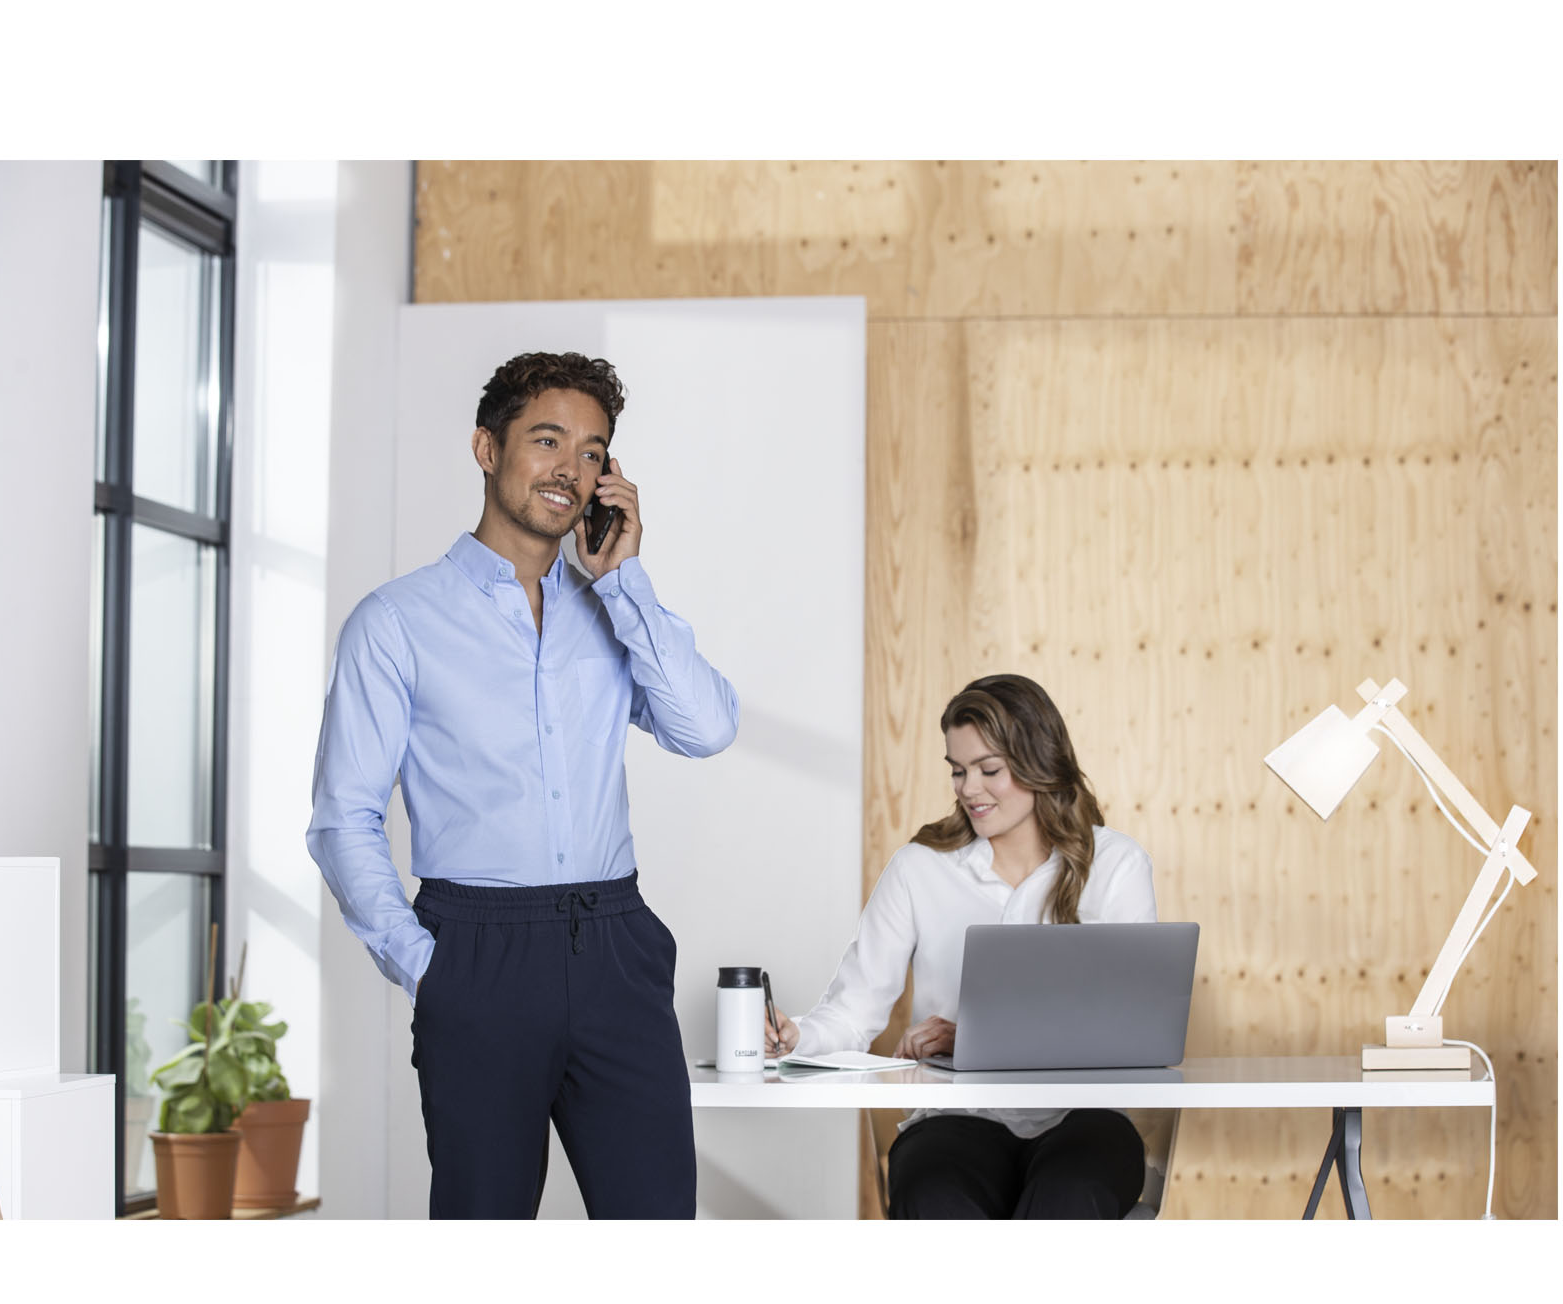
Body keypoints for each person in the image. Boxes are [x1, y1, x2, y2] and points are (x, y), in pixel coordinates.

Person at [307, 351, 739, 1219]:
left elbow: (706, 728)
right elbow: (343, 819)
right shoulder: (397, 623)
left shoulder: (613, 611)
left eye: (592, 452)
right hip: (478, 953)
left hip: (616, 947)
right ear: (486, 448)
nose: (569, 469)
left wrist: (623, 579)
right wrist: (430, 971)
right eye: (547, 441)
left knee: (657, 1225)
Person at [767, 674, 1156, 1219]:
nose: (969, 789)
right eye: (957, 770)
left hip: (1083, 1118)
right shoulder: (919, 868)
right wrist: (796, 1037)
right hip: (957, 1118)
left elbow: (1130, 1030)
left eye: (989, 770)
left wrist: (972, 1038)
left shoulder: (1116, 865)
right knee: (933, 1195)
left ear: (1040, 762)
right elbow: (854, 1012)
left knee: (1070, 1196)